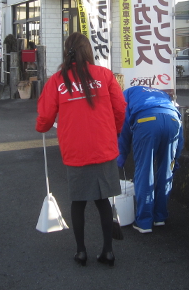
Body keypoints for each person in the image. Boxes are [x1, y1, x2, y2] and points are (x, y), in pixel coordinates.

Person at [36, 33, 126, 267]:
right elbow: (120, 109)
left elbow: (45, 117)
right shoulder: (104, 75)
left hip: (76, 150)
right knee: (103, 200)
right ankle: (108, 251)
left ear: (67, 51)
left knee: (78, 202)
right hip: (103, 148)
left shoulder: (57, 80)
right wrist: (113, 132)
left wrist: (41, 127)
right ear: (88, 51)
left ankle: (81, 251)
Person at [117, 86, 184, 233]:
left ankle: (144, 222)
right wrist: (176, 158)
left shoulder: (127, 94)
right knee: (166, 171)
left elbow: (124, 125)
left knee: (145, 170)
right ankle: (160, 217)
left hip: (146, 120)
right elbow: (181, 131)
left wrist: (121, 156)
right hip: (173, 120)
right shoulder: (162, 94)